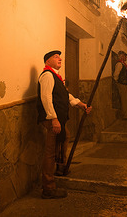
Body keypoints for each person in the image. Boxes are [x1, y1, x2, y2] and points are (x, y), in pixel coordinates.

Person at [37, 50, 91, 199]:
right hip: (52, 119)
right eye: (56, 57)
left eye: (59, 56)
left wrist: (80, 104)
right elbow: (46, 97)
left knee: (64, 136)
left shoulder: (56, 77)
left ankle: (61, 167)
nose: (60, 58)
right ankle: (48, 187)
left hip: (58, 118)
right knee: (50, 152)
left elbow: (65, 95)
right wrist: (53, 118)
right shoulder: (47, 75)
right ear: (48, 61)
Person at [113, 50, 127, 119]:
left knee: (126, 100)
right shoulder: (119, 64)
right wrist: (118, 83)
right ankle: (126, 115)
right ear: (121, 56)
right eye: (125, 56)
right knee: (124, 100)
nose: (126, 58)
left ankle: (126, 114)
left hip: (125, 83)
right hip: (122, 84)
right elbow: (116, 75)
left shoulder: (124, 64)